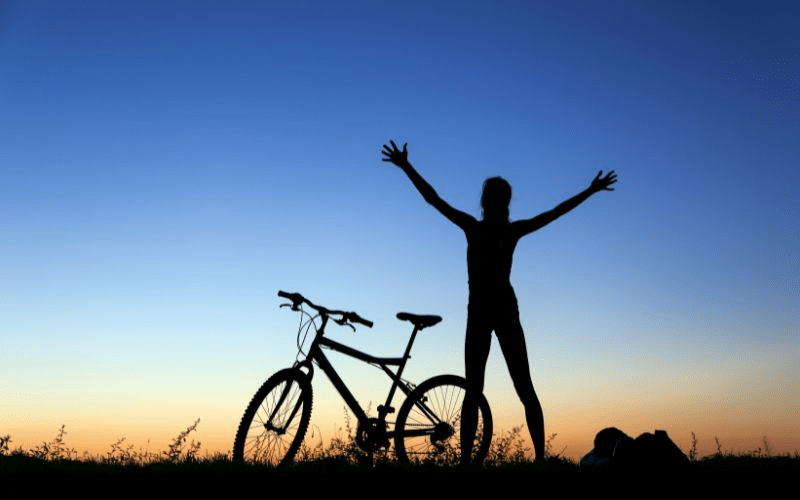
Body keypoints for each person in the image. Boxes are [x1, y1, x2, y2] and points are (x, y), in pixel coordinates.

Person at [381, 140, 617, 463]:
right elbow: (433, 199)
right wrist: (406, 167)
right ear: (496, 202)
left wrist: (589, 191)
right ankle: (494, 461)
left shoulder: (486, 229)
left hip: (496, 311)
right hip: (487, 311)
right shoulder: (491, 229)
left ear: (491, 202)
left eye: (497, 199)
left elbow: (434, 199)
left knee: (506, 389)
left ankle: (526, 460)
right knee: (488, 390)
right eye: (496, 198)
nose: (496, 203)